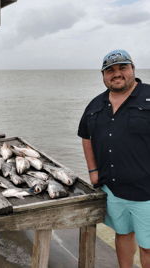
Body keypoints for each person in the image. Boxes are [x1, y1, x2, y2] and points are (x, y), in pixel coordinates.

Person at [78, 50, 150, 268]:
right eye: (110, 70)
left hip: (146, 191)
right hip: (112, 188)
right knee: (123, 234)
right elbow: (85, 136)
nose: (116, 74)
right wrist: (93, 171)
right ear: (103, 75)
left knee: (148, 246)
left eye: (122, 68)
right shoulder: (95, 104)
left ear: (133, 70)